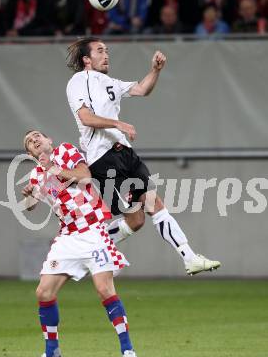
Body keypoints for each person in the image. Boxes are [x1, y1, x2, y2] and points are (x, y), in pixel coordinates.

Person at [66, 37, 221, 276]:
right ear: (86, 59)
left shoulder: (109, 82)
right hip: (102, 158)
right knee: (137, 216)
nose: (106, 55)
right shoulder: (79, 80)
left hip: (123, 151)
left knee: (143, 215)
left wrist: (155, 71)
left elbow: (141, 89)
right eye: (99, 51)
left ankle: (190, 258)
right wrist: (118, 123)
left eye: (107, 50)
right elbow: (86, 117)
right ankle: (88, 251)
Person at [22, 129, 140, 357]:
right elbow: (31, 206)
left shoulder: (65, 151)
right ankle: (52, 355)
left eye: (37, 136)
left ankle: (127, 349)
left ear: (49, 140)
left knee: (104, 289)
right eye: (29, 143)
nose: (34, 140)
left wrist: (54, 169)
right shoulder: (36, 175)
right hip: (67, 236)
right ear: (30, 154)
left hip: (93, 230)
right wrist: (28, 197)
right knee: (43, 292)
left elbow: (85, 177)